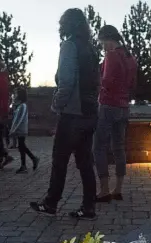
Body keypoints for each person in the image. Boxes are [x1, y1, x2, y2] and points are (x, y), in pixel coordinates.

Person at [30, 8, 100, 220]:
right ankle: (89, 207)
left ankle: (51, 203)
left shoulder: (69, 46)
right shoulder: (90, 48)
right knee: (85, 162)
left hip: (72, 114)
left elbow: (67, 82)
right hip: (90, 113)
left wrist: (55, 106)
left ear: (67, 25)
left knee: (59, 160)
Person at [93, 25, 137, 202]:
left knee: (99, 147)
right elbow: (132, 83)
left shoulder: (111, 55)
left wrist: (98, 88)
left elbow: (106, 81)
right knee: (119, 147)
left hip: (108, 105)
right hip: (123, 106)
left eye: (102, 42)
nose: (102, 46)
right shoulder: (130, 57)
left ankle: (104, 190)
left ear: (108, 40)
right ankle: (117, 189)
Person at [10, 87, 38, 173]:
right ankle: (27, 163)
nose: (15, 96)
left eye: (16, 94)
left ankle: (29, 162)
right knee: (21, 146)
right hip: (19, 129)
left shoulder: (23, 106)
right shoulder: (19, 106)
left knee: (22, 146)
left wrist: (14, 130)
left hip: (21, 130)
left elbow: (20, 119)